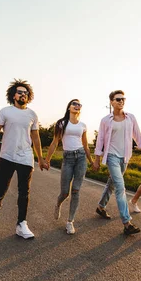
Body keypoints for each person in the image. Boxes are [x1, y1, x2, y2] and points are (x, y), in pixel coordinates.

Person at [0, 79, 48, 239]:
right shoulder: (5, 111)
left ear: (28, 96)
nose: (23, 94)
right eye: (19, 92)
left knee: (24, 191)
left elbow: (36, 138)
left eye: (25, 93)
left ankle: (21, 224)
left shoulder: (32, 115)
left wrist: (40, 158)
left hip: (25, 157)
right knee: (1, 188)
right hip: (7, 156)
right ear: (13, 95)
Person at [92, 90, 141, 235]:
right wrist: (97, 159)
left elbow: (138, 136)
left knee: (111, 183)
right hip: (111, 156)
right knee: (120, 186)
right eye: (118, 99)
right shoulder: (106, 120)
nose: (121, 101)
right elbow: (100, 140)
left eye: (123, 99)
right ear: (111, 102)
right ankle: (127, 222)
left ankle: (101, 206)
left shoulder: (131, 118)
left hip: (125, 157)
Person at [45, 99, 94, 235]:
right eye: (75, 104)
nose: (77, 106)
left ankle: (70, 221)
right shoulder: (62, 123)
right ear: (69, 108)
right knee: (65, 192)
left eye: (79, 105)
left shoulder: (83, 125)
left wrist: (92, 161)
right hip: (68, 159)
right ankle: (58, 203)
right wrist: (47, 160)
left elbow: (85, 145)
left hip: (81, 158)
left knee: (76, 191)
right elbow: (55, 142)